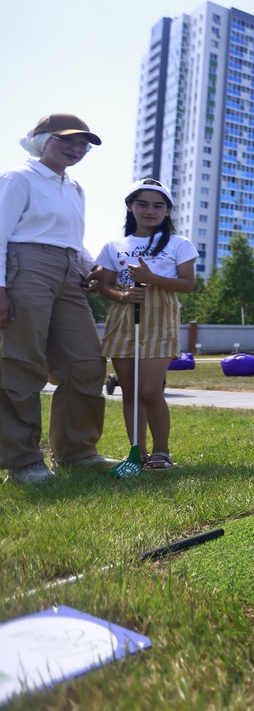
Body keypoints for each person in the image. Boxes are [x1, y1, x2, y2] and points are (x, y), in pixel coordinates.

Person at [0, 115, 111, 483]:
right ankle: (23, 461)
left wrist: (92, 264)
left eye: (84, 144)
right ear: (42, 139)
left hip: (69, 273)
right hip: (26, 265)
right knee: (22, 361)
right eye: (68, 140)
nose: (77, 148)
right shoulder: (19, 178)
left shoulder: (75, 188)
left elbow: (72, 239)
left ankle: (76, 451)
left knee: (88, 361)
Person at [94, 179, 197, 470]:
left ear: (167, 212)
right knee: (130, 390)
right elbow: (104, 286)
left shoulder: (180, 244)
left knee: (150, 390)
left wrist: (152, 279)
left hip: (160, 316)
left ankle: (162, 452)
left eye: (158, 206)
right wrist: (123, 295)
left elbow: (187, 284)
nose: (150, 211)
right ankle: (136, 453)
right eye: (142, 204)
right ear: (130, 207)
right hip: (123, 316)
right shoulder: (115, 245)